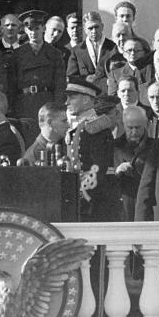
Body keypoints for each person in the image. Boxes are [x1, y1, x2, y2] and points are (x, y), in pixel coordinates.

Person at [64, 77, 116, 220]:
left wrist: (83, 194)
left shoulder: (96, 127)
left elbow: (98, 168)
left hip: (95, 200)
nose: (66, 102)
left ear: (86, 99)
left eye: (72, 98)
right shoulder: (77, 127)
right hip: (80, 198)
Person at [7, 10, 66, 121]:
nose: (33, 33)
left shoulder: (54, 54)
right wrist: (12, 108)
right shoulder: (17, 54)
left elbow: (60, 84)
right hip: (24, 103)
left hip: (46, 102)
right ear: (25, 30)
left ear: (43, 28)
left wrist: (57, 107)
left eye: (36, 29)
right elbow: (12, 85)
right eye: (30, 29)